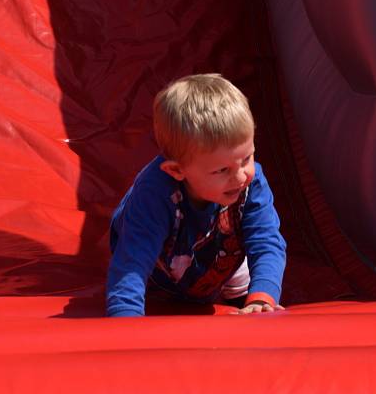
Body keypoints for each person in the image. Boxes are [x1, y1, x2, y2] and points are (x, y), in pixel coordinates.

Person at [106, 73, 287, 317]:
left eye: (247, 158)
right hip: (162, 268)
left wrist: (262, 298)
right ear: (177, 170)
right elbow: (132, 261)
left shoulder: (250, 182)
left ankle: (237, 292)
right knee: (149, 279)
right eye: (222, 170)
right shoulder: (155, 193)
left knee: (245, 279)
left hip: (221, 254)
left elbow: (266, 240)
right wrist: (125, 318)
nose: (241, 176)